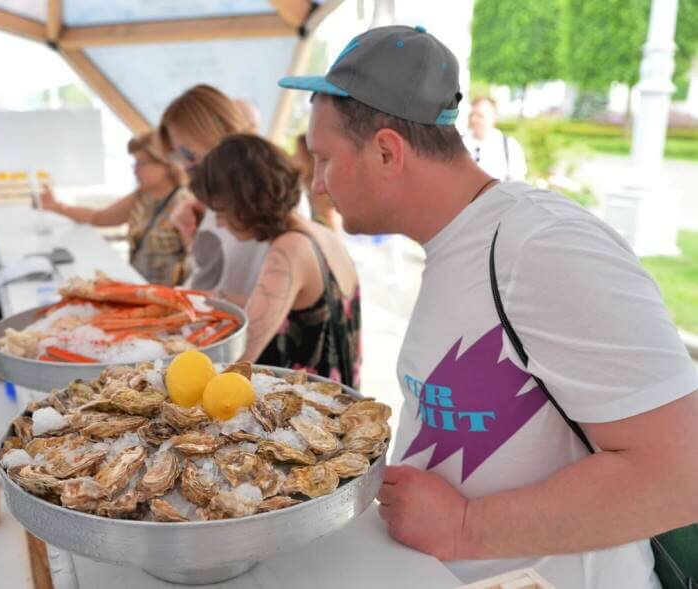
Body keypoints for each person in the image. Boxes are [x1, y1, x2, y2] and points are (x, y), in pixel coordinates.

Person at [279, 25, 698, 587]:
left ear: (386, 151)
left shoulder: (542, 246)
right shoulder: (459, 239)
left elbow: (682, 473)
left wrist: (467, 527)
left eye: (323, 159)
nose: (318, 185)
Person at [190, 134, 361, 386]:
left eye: (222, 212)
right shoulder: (320, 233)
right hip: (336, 395)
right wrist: (207, 299)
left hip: (307, 408)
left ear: (246, 202)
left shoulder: (289, 251)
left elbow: (240, 358)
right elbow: (300, 311)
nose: (219, 223)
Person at [159, 84, 269, 296]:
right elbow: (210, 270)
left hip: (232, 322)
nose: (184, 166)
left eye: (188, 154)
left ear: (217, 132)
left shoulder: (264, 194)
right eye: (177, 156)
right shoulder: (214, 193)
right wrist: (190, 235)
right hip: (206, 316)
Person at [39, 131, 189, 286]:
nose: (135, 170)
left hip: (170, 296)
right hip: (139, 288)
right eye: (134, 163)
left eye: (142, 163)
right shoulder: (141, 197)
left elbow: (195, 261)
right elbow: (99, 218)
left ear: (166, 164)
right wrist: (56, 207)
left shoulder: (185, 203)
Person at [463, 96, 527, 181]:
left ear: (493, 117)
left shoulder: (509, 146)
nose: (473, 119)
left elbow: (518, 183)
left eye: (480, 115)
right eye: (472, 115)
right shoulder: (457, 143)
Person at [292, 133, 343, 232]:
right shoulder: (301, 186)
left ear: (309, 159)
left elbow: (331, 226)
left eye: (298, 154)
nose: (293, 157)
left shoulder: (321, 190)